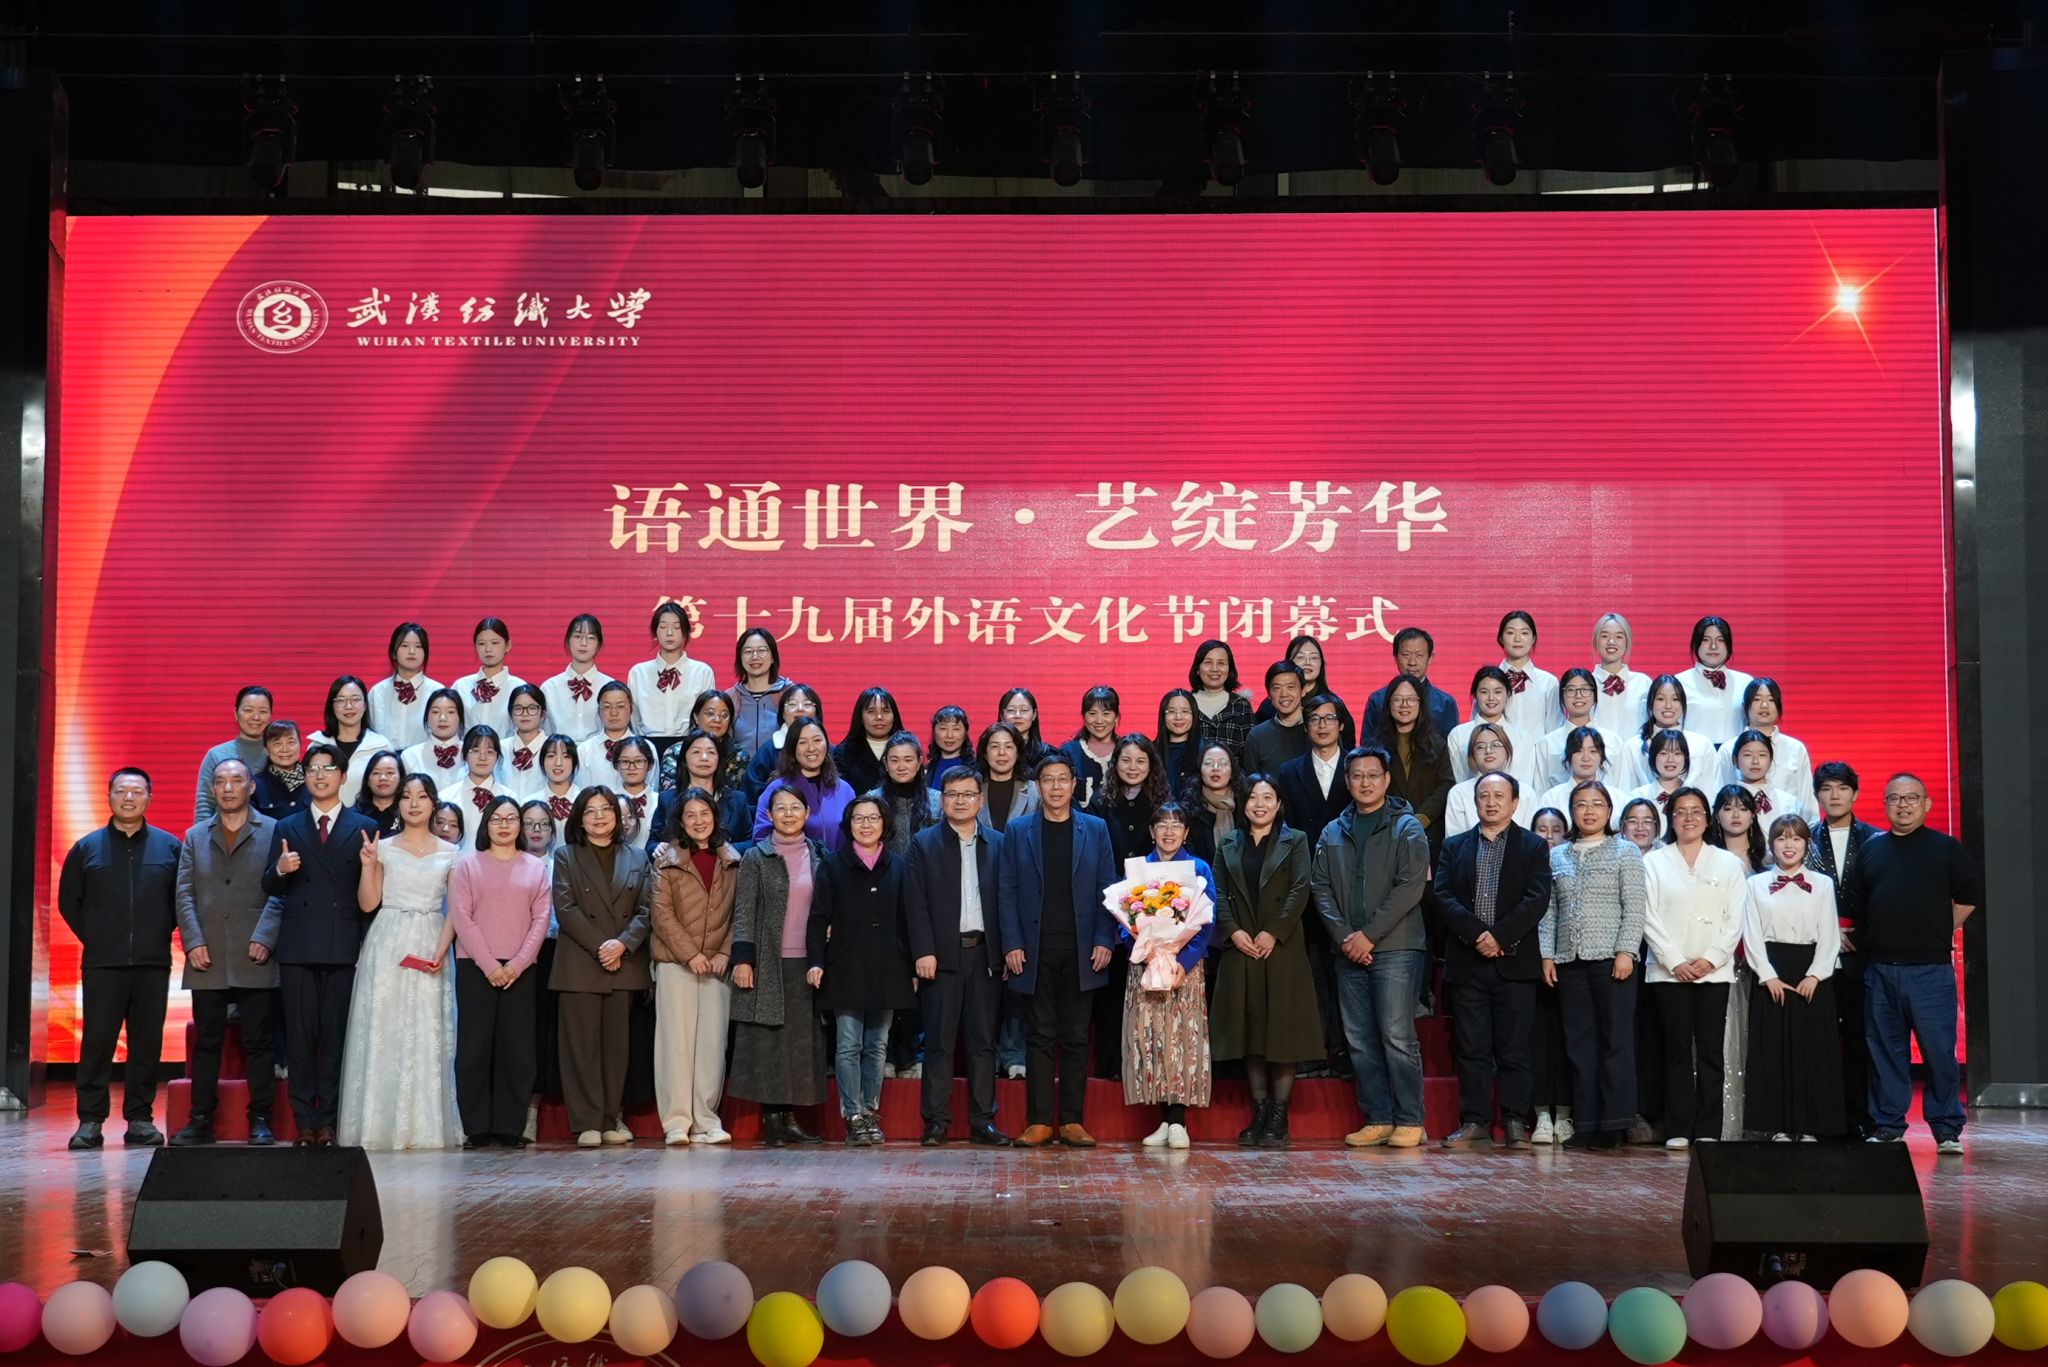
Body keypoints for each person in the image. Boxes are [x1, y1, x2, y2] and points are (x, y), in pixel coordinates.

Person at [1841, 773, 1979, 1153]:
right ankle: (1888, 1125)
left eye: (1911, 798)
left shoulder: (1946, 847)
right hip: (1880, 970)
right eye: (1895, 798)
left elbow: (1969, 897)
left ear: (1927, 804)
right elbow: (1857, 905)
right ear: (1885, 804)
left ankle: (1946, 1129)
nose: (1903, 805)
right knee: (1885, 1054)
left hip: (1931, 971)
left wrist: (1937, 928)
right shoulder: (1871, 849)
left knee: (1939, 1053)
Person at [1312, 745, 1431, 1148]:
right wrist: (1346, 937)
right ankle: (1378, 1117)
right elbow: (1320, 888)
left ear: (1387, 779)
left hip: (1396, 947)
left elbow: (1410, 886)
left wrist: (1370, 935)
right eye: (1357, 775)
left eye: (1372, 775)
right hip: (1348, 949)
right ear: (1347, 781)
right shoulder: (1333, 830)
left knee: (1397, 1036)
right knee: (1359, 1040)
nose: (1365, 782)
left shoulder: (1407, 827)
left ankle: (1411, 1119)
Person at [997, 754, 1118, 1148]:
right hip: (1034, 949)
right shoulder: (1018, 831)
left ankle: (1071, 1121)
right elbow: (1007, 889)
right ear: (1038, 786)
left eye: (1062, 779)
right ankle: (1038, 1122)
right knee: (1039, 1035)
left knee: (1077, 1037)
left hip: (1083, 950)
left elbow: (1107, 887)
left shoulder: (1095, 829)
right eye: (1047, 780)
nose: (1055, 787)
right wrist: (1012, 942)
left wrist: (1104, 938)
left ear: (1074, 784)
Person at [60, 766, 182, 1150]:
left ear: (149, 797)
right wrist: (97, 938)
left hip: (152, 962)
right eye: (121, 791)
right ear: (110, 796)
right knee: (97, 1043)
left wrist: (158, 932)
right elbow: (69, 902)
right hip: (103, 963)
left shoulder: (170, 847)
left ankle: (140, 1119)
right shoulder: (86, 848)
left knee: (146, 1043)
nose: (129, 798)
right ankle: (90, 1121)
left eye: (137, 791)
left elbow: (180, 901)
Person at [262, 743, 378, 1146]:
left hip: (343, 945)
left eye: (328, 769)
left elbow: (371, 895)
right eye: (312, 769)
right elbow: (268, 885)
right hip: (297, 947)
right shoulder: (287, 826)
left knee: (334, 1037)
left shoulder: (365, 826)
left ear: (343, 777)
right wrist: (280, 869)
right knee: (299, 1038)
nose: (320, 775)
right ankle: (303, 1120)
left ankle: (327, 1119)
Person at [338, 775, 462, 1150]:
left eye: (421, 797)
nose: (413, 803)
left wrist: (441, 950)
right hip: (387, 941)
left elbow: (456, 910)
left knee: (427, 1029)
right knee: (384, 1028)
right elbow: (368, 903)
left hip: (431, 939)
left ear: (433, 803)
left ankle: (424, 1128)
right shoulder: (384, 848)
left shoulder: (451, 852)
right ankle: (377, 1127)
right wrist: (367, 865)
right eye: (406, 797)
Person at [1435, 771, 1553, 1152]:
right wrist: (1478, 936)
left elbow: (1537, 898)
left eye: (1499, 796)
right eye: (1484, 795)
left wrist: (1500, 936)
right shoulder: (1454, 846)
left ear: (1514, 803)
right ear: (1475, 801)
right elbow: (1443, 896)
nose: (1491, 802)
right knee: (1472, 1048)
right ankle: (1475, 1122)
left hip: (1514, 964)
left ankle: (1515, 1121)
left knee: (1514, 1048)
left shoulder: (1533, 846)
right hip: (1468, 963)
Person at [172, 759, 284, 1147]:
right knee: (207, 1044)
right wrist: (193, 942)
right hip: (209, 954)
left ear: (251, 787)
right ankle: (200, 1119)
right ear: (212, 789)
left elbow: (281, 892)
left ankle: (261, 1120)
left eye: (237, 780)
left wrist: (266, 937)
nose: (229, 787)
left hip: (256, 953)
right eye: (221, 781)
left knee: (259, 1043)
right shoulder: (195, 835)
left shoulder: (273, 831)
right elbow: (184, 894)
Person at [906, 767, 1012, 1147]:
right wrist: (923, 952)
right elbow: (915, 904)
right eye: (952, 794)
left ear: (980, 800)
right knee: (939, 1042)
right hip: (941, 958)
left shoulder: (1000, 843)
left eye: (968, 794)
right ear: (942, 800)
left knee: (983, 1043)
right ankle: (936, 1122)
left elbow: (1008, 901)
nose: (961, 801)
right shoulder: (923, 843)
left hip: (985, 955)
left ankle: (983, 1122)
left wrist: (1006, 950)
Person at [1541, 780, 1646, 1151]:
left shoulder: (1625, 851)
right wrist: (1548, 954)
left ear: (1609, 811)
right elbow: (1549, 911)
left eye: (1597, 804)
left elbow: (1635, 906)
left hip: (1612, 961)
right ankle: (1585, 1122)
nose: (1589, 811)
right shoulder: (1558, 855)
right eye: (1581, 804)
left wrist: (1626, 951)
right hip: (1570, 962)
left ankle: (1614, 1124)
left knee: (1615, 1043)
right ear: (1572, 811)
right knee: (1579, 1045)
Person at [1212, 780, 1318, 1148]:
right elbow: (1218, 892)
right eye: (1253, 798)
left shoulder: (1296, 840)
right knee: (1251, 1032)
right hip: (1242, 948)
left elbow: (1300, 889)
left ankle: (1278, 1115)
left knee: (1282, 1031)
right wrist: (1234, 931)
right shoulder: (1228, 843)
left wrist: (1274, 932)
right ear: (1243, 804)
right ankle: (1258, 1111)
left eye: (1268, 798)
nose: (1260, 804)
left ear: (1279, 803)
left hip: (1280, 948)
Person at [1641, 787, 1747, 1150]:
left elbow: (1735, 918)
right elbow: (1648, 916)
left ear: (1708, 817)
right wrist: (1674, 960)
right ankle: (1677, 1127)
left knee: (1710, 1052)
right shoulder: (1654, 862)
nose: (1689, 818)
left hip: (1713, 972)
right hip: (1667, 972)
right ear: (1670, 819)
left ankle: (1708, 1128)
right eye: (1681, 811)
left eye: (1696, 811)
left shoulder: (1728, 864)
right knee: (1674, 1052)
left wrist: (1712, 957)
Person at [808, 795, 916, 1146]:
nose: (866, 825)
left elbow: (909, 920)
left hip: (889, 966)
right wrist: (816, 961)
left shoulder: (899, 866)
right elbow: (818, 917)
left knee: (877, 1045)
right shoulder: (833, 865)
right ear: (848, 824)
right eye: (859, 818)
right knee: (848, 1044)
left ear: (885, 824)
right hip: (845, 965)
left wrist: (913, 964)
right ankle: (852, 1115)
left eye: (873, 818)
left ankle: (870, 1111)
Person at [549, 786, 654, 1147]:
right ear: (579, 818)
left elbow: (646, 909)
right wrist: (601, 946)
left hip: (623, 962)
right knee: (582, 1048)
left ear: (618, 816)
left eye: (605, 810)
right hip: (581, 962)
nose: (599, 817)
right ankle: (587, 1122)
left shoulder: (637, 856)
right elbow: (566, 908)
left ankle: (611, 1118)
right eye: (590, 811)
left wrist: (622, 944)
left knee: (616, 1049)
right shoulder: (566, 855)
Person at [447, 794, 552, 1148]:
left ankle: (510, 1126)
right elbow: (462, 917)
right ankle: (477, 1127)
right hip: (475, 966)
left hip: (521, 970)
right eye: (497, 819)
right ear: (485, 824)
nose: (504, 825)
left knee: (517, 1050)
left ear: (520, 825)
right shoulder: (468, 865)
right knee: (474, 1048)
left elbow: (541, 921)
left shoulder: (535, 867)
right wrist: (490, 965)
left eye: (511, 818)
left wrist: (517, 964)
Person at [728, 782, 830, 1147]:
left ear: (807, 813)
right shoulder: (756, 857)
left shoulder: (820, 854)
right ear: (769, 815)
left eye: (795, 807)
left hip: (808, 963)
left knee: (799, 1044)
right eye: (780, 808)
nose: (788, 814)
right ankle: (772, 1119)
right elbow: (744, 911)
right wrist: (743, 959)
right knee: (768, 1044)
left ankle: (792, 1119)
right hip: (767, 960)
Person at [1743, 815, 1846, 1142]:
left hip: (1812, 971)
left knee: (1812, 1050)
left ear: (1806, 844)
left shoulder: (1822, 884)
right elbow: (1751, 934)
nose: (1789, 845)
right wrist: (1767, 975)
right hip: (1771, 971)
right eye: (1782, 838)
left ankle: (1811, 1125)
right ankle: (1778, 1126)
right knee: (1772, 1050)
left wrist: (1815, 975)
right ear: (1771, 844)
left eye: (1796, 838)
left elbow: (1829, 934)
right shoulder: (1755, 884)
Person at [648, 787, 740, 1145]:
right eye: (690, 815)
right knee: (676, 1043)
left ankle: (706, 1119)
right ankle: (676, 1122)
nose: (699, 821)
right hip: (676, 962)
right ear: (680, 821)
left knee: (712, 1046)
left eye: (705, 813)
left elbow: (739, 914)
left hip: (717, 964)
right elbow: (661, 915)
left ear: (715, 817)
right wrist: (690, 954)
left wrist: (724, 954)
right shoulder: (666, 861)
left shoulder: (732, 860)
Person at [1124, 802, 1217, 1149]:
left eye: (1176, 825)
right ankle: (1163, 1120)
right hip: (1147, 965)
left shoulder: (1198, 868)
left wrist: (1183, 960)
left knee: (1181, 1040)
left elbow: (1207, 922)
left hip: (1183, 970)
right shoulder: (1138, 869)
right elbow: (1123, 920)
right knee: (1152, 1039)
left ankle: (1178, 1120)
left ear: (1186, 832)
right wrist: (1147, 951)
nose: (1168, 831)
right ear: (1151, 831)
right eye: (1161, 825)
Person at [1806, 760, 1879, 1137]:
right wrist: (1830, 930)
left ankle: (1858, 1118)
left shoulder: (1875, 839)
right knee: (1819, 1042)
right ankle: (1821, 1118)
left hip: (1860, 955)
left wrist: (1859, 934)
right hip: (1816, 955)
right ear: (1816, 795)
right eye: (1826, 788)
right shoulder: (1804, 839)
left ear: (1855, 793)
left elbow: (1883, 896)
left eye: (1842, 788)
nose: (1834, 795)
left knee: (1859, 1040)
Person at [1529, 806, 1573, 1144]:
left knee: (1566, 1041)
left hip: (1567, 965)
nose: (1548, 836)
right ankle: (1542, 1114)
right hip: (1530, 966)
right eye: (1541, 829)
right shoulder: (1526, 866)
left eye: (1556, 829)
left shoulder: (1569, 866)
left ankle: (1566, 1113)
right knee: (1537, 1042)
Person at [750, 717, 855, 850]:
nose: (811, 748)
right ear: (792, 747)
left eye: (817, 740)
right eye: (802, 742)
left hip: (838, 863)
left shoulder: (844, 789)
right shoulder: (776, 789)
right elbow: (761, 839)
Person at [628, 600, 715, 756]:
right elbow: (634, 718)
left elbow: (707, 716)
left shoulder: (702, 672)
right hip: (647, 748)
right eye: (663, 627)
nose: (669, 633)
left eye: (676, 627)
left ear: (686, 632)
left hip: (690, 747)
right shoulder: (638, 673)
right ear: (655, 632)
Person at [653, 730, 751, 855]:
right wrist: (657, 847)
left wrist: (723, 850)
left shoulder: (738, 799)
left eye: (711, 752)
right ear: (684, 760)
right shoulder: (667, 799)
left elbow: (750, 842)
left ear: (719, 760)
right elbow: (652, 842)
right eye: (696, 752)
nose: (704, 758)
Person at [1274, 695, 1351, 846]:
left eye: (1329, 718)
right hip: (1304, 854)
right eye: (1314, 719)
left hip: (1347, 854)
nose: (1322, 725)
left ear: (1341, 725)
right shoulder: (1288, 772)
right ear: (1305, 727)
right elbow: (1287, 825)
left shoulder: (1356, 768)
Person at [1536, 669, 1632, 788]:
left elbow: (1622, 787)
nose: (1578, 696)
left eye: (1585, 689)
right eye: (1571, 690)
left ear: (1594, 696)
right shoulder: (1547, 744)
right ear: (1562, 697)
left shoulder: (1613, 741)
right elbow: (1541, 790)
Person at [306, 675, 393, 806]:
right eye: (341, 700)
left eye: (355, 699)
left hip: (367, 817)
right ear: (332, 706)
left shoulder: (381, 747)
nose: (348, 706)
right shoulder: (318, 745)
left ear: (365, 705)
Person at [1721, 678, 1813, 800]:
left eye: (1771, 700)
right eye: (1757, 699)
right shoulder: (1728, 748)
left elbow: (1807, 798)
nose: (1764, 705)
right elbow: (1720, 793)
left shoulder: (1795, 748)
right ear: (1744, 706)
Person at [1362, 628, 1461, 737]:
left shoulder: (1445, 703)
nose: (1412, 662)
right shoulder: (1378, 699)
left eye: (1419, 655)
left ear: (1430, 658)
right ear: (1395, 657)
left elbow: (1451, 744)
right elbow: (1367, 744)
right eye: (1406, 655)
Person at [1448, 666, 1537, 789]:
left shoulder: (1523, 737)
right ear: (1475, 695)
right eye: (1484, 692)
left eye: (1498, 692)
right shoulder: (1458, 735)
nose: (1491, 698)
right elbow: (1459, 777)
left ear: (1508, 694)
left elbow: (1526, 783)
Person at [195, 686, 274, 824]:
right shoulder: (216, 755)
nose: (256, 717)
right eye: (248, 710)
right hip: (224, 833)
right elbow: (205, 804)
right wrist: (202, 835)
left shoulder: (280, 754)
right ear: (236, 714)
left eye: (263, 711)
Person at [1443, 723, 1532, 838]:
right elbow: (1454, 842)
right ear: (1472, 754)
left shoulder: (1526, 793)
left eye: (1496, 745)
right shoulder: (1458, 793)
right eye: (1480, 747)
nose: (1489, 751)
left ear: (1507, 750)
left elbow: (1531, 840)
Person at [1676, 616, 1752, 747]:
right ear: (1695, 644)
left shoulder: (1745, 682)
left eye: (1720, 640)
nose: (1713, 646)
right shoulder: (1679, 683)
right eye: (1706, 640)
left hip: (1736, 756)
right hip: (1695, 756)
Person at [540, 613, 616, 743]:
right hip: (560, 753)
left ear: (599, 645)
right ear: (567, 641)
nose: (583, 643)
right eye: (577, 636)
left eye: (591, 638)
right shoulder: (549, 688)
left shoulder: (610, 687)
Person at [450, 617, 526, 743]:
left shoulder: (519, 688)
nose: (488, 649)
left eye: (495, 643)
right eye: (481, 643)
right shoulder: (461, 687)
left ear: (508, 645)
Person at [1635, 676, 1719, 790]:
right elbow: (1625, 792)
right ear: (1650, 703)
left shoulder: (1702, 745)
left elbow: (1712, 790)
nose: (1668, 706)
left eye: (1675, 699)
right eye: (1660, 699)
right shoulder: (1634, 746)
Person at [742, 683, 825, 798]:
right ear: (782, 714)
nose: (800, 708)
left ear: (817, 713)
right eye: (792, 704)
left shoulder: (826, 749)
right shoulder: (769, 750)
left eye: (807, 704)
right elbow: (752, 792)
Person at [1095, 735, 1166, 865]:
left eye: (1140, 761)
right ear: (1115, 763)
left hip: (1153, 875)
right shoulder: (1099, 800)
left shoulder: (1163, 801)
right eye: (1126, 760)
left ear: (1150, 765)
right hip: (1110, 874)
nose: (1133, 767)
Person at [367, 622, 439, 750]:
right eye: (405, 645)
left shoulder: (437, 692)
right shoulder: (377, 693)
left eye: (418, 646)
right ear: (393, 653)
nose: (412, 651)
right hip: (385, 760)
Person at [439, 725, 513, 846]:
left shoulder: (509, 798)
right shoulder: (446, 797)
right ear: (464, 755)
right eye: (475, 751)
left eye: (489, 752)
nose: (482, 757)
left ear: (497, 757)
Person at [725, 627, 792, 761]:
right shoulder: (730, 697)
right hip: (739, 771)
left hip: (780, 771)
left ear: (773, 657)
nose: (755, 657)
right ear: (740, 658)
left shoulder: (790, 694)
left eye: (761, 651)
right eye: (748, 652)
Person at [1188, 639, 1257, 762]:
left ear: (1229, 669)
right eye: (1208, 662)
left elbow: (1250, 754)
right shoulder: (1185, 704)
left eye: (1221, 663)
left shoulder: (1241, 705)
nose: (1215, 669)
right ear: (1198, 668)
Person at [1726, 730, 1814, 827]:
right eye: (1747, 755)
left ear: (1771, 760)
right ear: (1736, 760)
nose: (1755, 761)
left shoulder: (1789, 803)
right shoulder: (1726, 802)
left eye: (1762, 755)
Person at [1183, 741, 1250, 867]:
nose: (1215, 768)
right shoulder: (1188, 811)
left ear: (1232, 771)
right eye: (1208, 763)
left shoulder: (1246, 805)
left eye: (1222, 763)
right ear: (1200, 770)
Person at [1495, 610, 1560, 739]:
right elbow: (1478, 725)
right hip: (1497, 750)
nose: (1517, 639)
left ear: (1533, 638)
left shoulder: (1548, 682)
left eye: (1524, 633)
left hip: (1536, 752)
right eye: (1510, 633)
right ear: (1501, 638)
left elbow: (1554, 729)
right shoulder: (1489, 681)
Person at [831, 686, 905, 797]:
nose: (879, 717)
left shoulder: (907, 749)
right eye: (871, 711)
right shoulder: (843, 753)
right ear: (860, 717)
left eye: (885, 711)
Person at [1588, 612, 1650, 738]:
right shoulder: (1586, 684)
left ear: (1627, 642)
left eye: (1619, 637)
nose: (1611, 642)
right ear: (1595, 641)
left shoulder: (1643, 683)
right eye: (1604, 636)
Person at [1243, 663, 1311, 777]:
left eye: (1290, 687)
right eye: (1276, 688)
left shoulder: (1319, 729)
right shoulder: (1257, 736)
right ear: (1269, 694)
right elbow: (1252, 783)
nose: (1284, 694)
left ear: (1303, 690)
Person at [975, 722, 1039, 834]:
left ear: (1018, 753)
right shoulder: (972, 790)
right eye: (995, 746)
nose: (1001, 752)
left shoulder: (1035, 791)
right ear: (985, 753)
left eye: (1008, 746)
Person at [401, 688, 468, 791]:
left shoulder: (471, 753)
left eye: (450, 712)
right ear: (427, 718)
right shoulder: (410, 756)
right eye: (436, 712)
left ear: (460, 718)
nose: (442, 718)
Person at [576, 681, 639, 791]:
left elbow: (649, 790)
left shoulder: (645, 748)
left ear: (631, 709)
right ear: (598, 710)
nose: (614, 713)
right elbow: (582, 792)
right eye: (607, 707)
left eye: (620, 706)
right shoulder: (584, 750)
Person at [1626, 730, 1694, 821]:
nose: (1670, 760)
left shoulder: (1694, 798)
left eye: (1677, 753)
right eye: (1663, 753)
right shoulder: (1639, 796)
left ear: (1685, 758)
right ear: (1653, 757)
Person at [251, 720, 309, 823]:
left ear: (300, 745)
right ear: (266, 749)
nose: (285, 749)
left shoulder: (313, 779)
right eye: (277, 743)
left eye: (291, 742)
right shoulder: (256, 786)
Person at [503, 685, 552, 798]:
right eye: (518, 708)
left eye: (532, 708)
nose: (525, 713)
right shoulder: (499, 749)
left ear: (543, 713)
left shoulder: (553, 749)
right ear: (510, 714)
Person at [1154, 688, 1203, 797]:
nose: (1178, 717)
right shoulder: (1151, 752)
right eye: (1172, 711)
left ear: (1194, 715)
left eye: (1185, 711)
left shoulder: (1205, 751)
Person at [538, 735, 583, 846]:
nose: (558, 763)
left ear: (574, 762)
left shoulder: (585, 802)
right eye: (551, 756)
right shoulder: (531, 802)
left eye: (566, 756)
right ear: (542, 761)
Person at [350, 751, 406, 836]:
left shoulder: (409, 815)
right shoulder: (352, 816)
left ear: (401, 779)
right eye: (376, 773)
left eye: (390, 772)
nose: (383, 778)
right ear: (368, 781)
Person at [997, 686, 1054, 769]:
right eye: (1011, 710)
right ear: (1002, 716)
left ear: (1034, 714)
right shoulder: (992, 753)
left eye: (1024, 710)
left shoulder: (1048, 754)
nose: (1017, 716)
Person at [925, 705, 973, 792]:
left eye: (956, 729)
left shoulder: (976, 768)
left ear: (965, 733)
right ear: (934, 732)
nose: (949, 735)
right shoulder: (926, 770)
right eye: (943, 728)